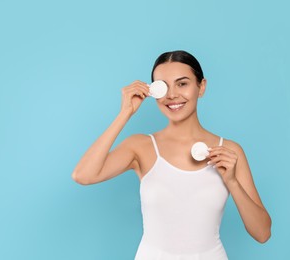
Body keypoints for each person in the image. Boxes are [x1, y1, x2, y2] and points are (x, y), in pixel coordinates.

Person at [72, 50, 272, 259]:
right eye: (163, 86)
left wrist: (232, 182)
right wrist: (125, 113)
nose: (172, 95)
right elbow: (83, 175)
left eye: (182, 83)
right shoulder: (140, 146)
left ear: (201, 87)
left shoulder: (229, 151)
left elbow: (262, 233)